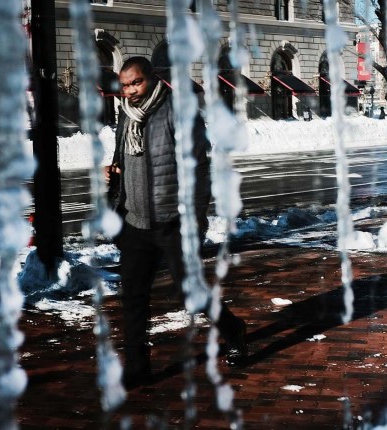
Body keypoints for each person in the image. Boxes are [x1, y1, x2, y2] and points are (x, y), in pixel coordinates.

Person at [104, 56, 247, 389]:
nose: (129, 91)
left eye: (135, 83)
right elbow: (123, 159)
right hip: (135, 224)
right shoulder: (126, 117)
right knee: (134, 298)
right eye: (124, 85)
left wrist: (194, 223)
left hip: (173, 222)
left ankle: (233, 329)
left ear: (153, 79)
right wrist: (113, 174)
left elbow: (199, 171)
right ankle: (138, 368)